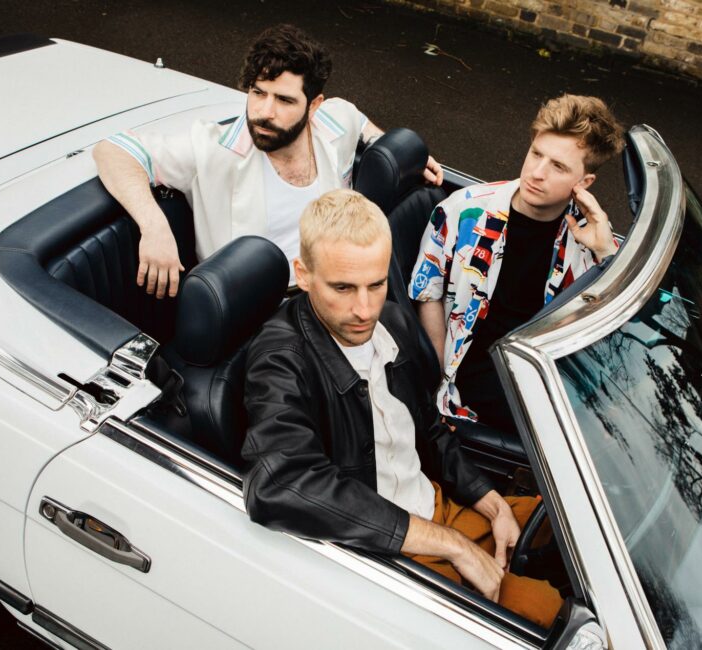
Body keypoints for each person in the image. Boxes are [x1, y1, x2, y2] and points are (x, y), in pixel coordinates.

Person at [241, 189, 562, 628]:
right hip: (391, 550)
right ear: (304, 274)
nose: (364, 309)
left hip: (440, 507)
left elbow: (429, 429)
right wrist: (452, 545)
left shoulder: (391, 320)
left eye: (376, 284)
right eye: (343, 288)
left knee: (574, 535)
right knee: (553, 618)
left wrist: (491, 503)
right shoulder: (280, 358)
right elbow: (280, 482)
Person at [93, 23, 442, 297]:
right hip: (261, 311)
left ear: (314, 105)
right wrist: (153, 226)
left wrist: (393, 148)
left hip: (333, 289)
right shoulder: (212, 149)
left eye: (285, 101)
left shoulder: (333, 124)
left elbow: (358, 120)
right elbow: (114, 150)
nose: (264, 112)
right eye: (258, 93)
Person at [409, 94, 625, 432]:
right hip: (470, 369)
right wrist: (435, 381)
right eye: (536, 154)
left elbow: (608, 331)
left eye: (558, 166)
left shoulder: (591, 241)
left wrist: (606, 253)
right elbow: (428, 292)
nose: (537, 173)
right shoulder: (463, 211)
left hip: (543, 380)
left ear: (584, 184)